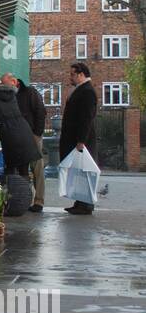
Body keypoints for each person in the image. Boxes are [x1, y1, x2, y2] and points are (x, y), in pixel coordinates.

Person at [1, 72, 47, 213]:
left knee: (37, 168)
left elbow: (41, 112)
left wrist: (37, 134)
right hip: (18, 138)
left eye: (5, 84)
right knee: (22, 170)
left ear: (14, 81)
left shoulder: (30, 92)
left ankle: (39, 201)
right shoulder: (10, 96)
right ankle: (25, 200)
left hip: (32, 136)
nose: (3, 87)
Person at [59, 62, 98, 216]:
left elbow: (86, 118)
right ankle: (79, 202)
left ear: (81, 74)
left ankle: (86, 205)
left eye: (72, 74)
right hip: (76, 139)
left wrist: (81, 140)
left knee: (84, 172)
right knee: (78, 172)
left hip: (82, 141)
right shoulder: (80, 90)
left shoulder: (87, 91)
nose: (70, 77)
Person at [0, 76, 40, 177]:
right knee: (24, 171)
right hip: (24, 130)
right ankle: (25, 192)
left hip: (9, 133)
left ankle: (12, 192)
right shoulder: (11, 93)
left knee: (10, 169)